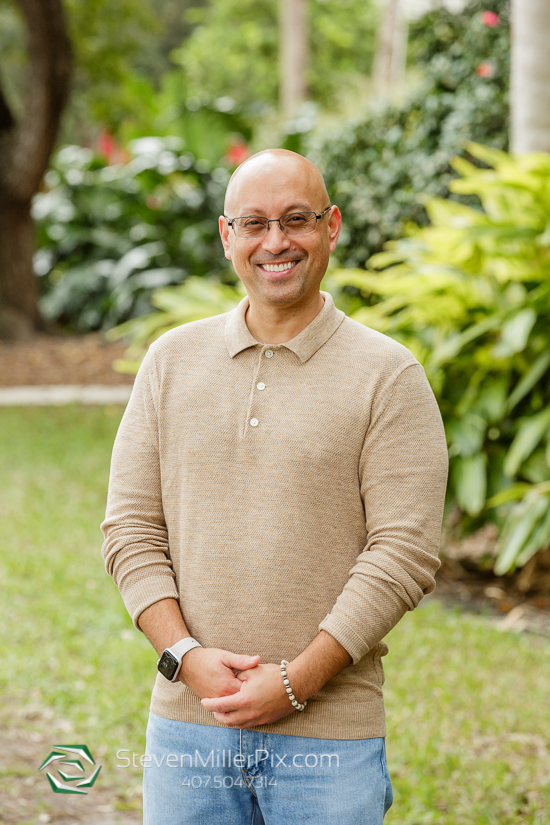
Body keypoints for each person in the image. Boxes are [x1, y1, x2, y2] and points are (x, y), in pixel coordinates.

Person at [101, 148, 448, 825]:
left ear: (332, 226)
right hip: (188, 726)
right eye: (254, 223)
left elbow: (403, 553)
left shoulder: (388, 375)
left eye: (297, 220)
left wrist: (295, 683)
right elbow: (131, 530)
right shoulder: (169, 362)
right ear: (227, 236)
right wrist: (185, 656)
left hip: (331, 741)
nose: (276, 241)